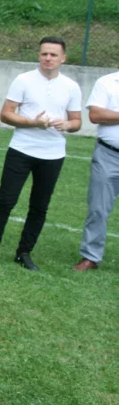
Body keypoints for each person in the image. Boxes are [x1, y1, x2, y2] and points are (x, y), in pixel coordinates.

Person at [0, 37, 82, 271]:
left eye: (53, 55)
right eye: (44, 54)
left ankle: (24, 252)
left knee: (39, 206)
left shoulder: (71, 86)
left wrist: (67, 125)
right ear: (38, 55)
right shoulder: (23, 80)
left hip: (53, 154)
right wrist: (33, 123)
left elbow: (77, 122)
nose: (48, 58)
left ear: (63, 58)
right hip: (22, 149)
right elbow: (6, 114)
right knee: (5, 200)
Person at [74, 70, 119, 270]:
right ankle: (91, 256)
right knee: (98, 208)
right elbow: (96, 114)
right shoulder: (107, 82)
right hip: (108, 155)